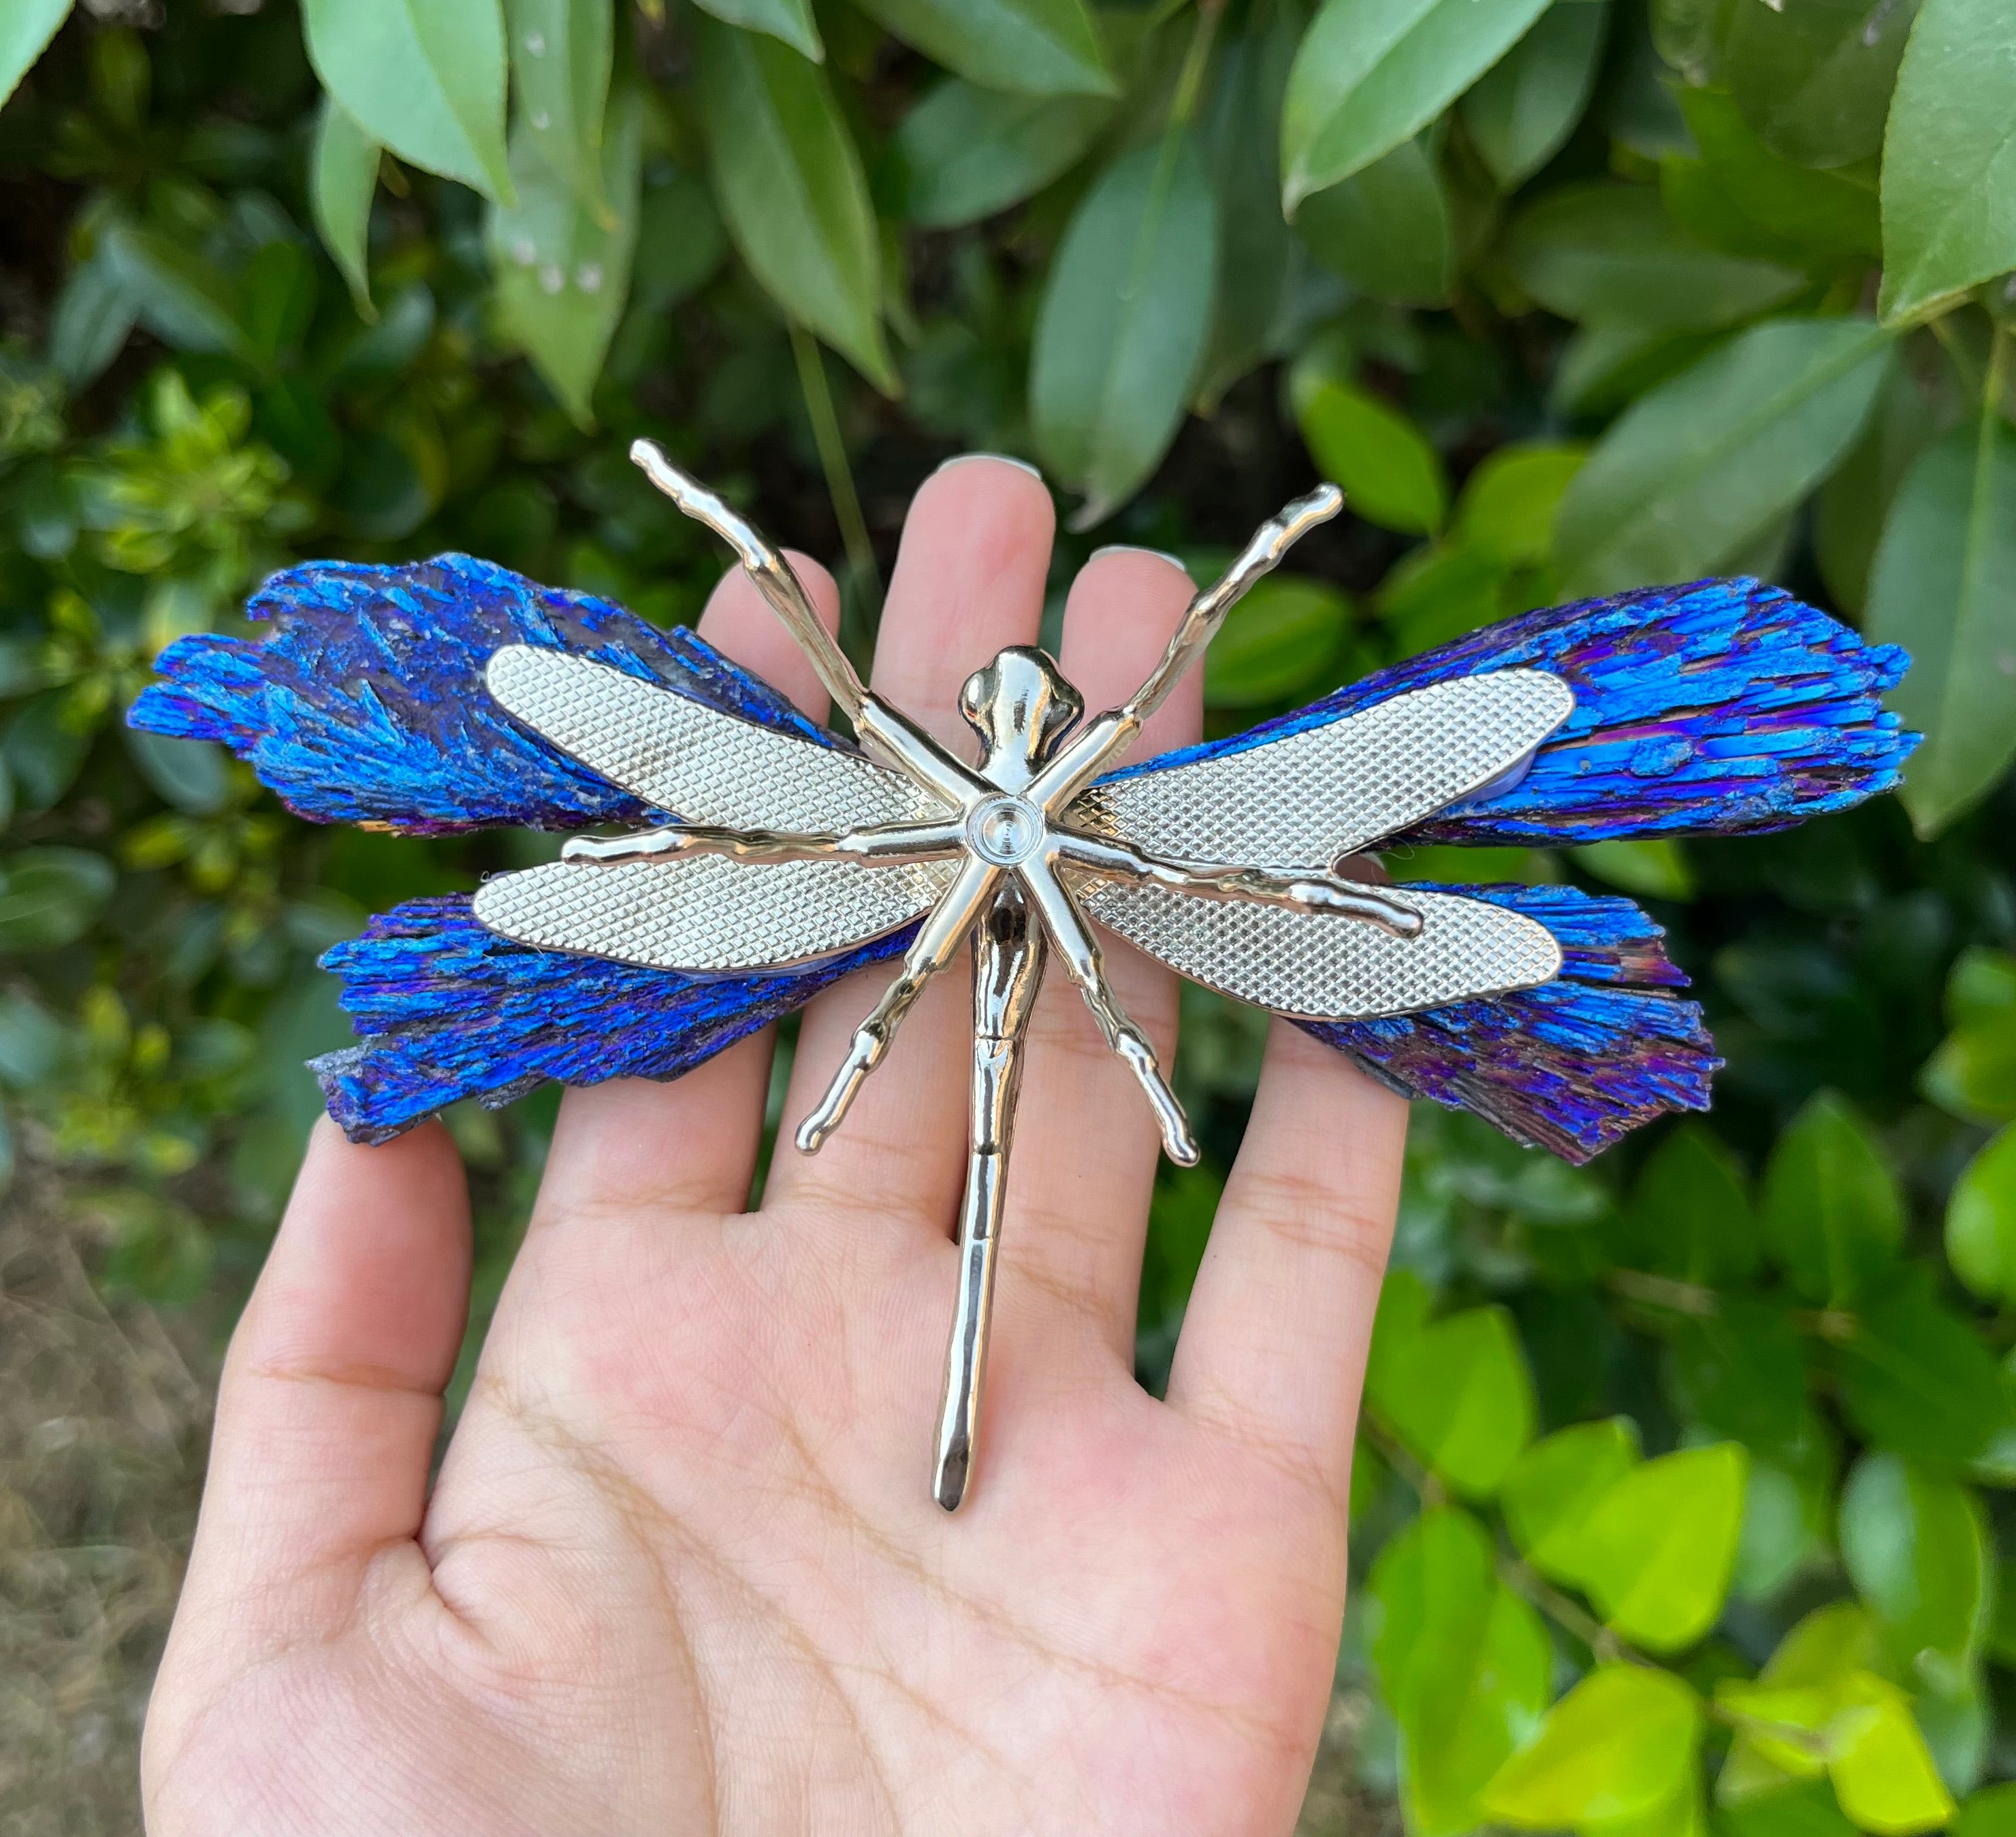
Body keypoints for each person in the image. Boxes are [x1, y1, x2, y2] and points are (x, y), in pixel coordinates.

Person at [141, 457, 1410, 1836]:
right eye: (1010, 708)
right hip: (971, 946)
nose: (1015, 721)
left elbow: (1124, 821)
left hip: (988, 952)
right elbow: (856, 729)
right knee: (986, 1056)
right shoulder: (967, 780)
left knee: (995, 1060)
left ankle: (909, 1080)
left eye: (1029, 712)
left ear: (1039, 726)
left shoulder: (1028, 793)